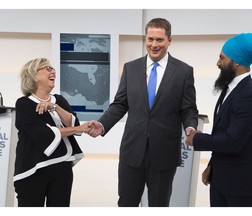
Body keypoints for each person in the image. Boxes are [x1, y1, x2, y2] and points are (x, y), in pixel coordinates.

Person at [87, 18, 198, 207]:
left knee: (159, 204)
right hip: (132, 151)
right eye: (150, 39)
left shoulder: (183, 71)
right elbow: (120, 104)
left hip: (164, 153)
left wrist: (190, 126)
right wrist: (103, 123)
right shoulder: (131, 68)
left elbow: (188, 108)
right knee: (127, 203)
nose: (154, 45)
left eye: (159, 40)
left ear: (169, 40)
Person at [186, 33, 252, 207]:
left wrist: (197, 139)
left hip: (242, 185)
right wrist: (212, 166)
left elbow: (232, 141)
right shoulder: (231, 89)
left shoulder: (248, 96)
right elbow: (222, 132)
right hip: (222, 179)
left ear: (237, 61)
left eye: (222, 58)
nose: (217, 63)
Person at [14, 58, 91, 207]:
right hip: (32, 170)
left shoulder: (59, 100)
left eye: (53, 68)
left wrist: (54, 107)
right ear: (33, 75)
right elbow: (44, 134)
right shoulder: (24, 104)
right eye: (47, 68)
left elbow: (72, 121)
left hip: (62, 167)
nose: (53, 71)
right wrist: (79, 128)